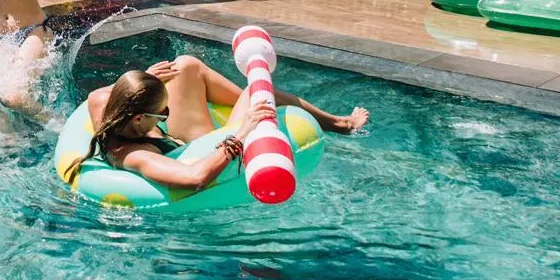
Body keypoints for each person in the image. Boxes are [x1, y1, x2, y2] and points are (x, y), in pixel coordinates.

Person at [70, 56, 369, 190]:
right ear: (138, 118)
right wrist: (243, 130)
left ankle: (238, 103)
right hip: (198, 152)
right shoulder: (133, 155)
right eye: (163, 113)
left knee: (185, 65)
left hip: (172, 139)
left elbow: (113, 91)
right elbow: (195, 178)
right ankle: (341, 124)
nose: (167, 113)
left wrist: (147, 79)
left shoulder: (103, 102)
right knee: (257, 93)